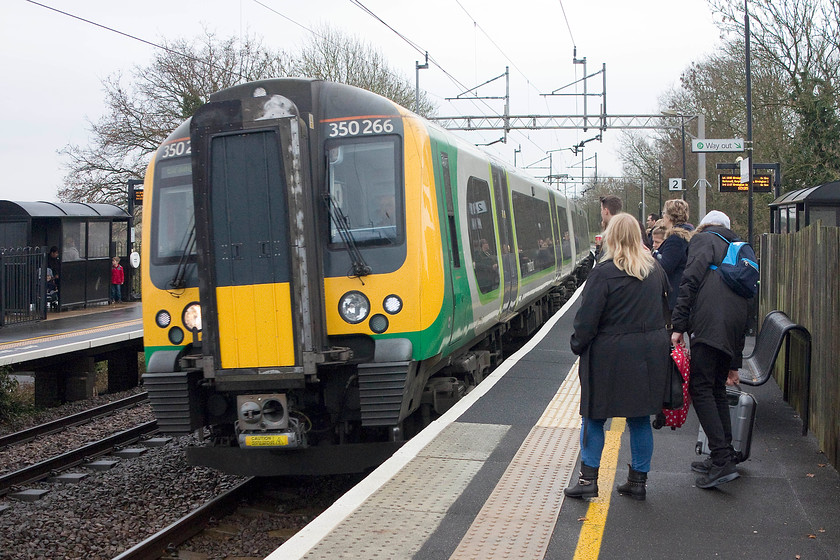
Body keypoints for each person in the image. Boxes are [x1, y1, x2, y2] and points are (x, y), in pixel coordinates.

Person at [564, 213, 671, 501]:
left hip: (608, 356)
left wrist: (578, 344)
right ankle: (637, 482)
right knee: (639, 419)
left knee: (594, 417)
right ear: (639, 237)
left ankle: (588, 480)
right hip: (649, 354)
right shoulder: (655, 270)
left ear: (611, 237)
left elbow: (587, 320)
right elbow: (666, 310)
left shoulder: (603, 273)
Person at [671, 210, 749, 489]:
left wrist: (678, 325)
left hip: (710, 322)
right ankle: (724, 454)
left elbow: (689, 281)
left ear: (705, 225)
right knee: (715, 388)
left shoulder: (704, 240)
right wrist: (735, 362)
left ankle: (720, 459)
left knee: (700, 388)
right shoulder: (738, 247)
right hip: (732, 325)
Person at [655, 199, 693, 310]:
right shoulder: (689, 234)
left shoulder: (676, 238)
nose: (663, 217)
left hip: (675, 294)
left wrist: (653, 256)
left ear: (670, 217)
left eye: (664, 214)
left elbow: (665, 267)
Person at [594, 195, 622, 260]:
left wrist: (598, 248)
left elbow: (602, 259)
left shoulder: (611, 233)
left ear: (606, 211)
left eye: (601, 210)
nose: (601, 213)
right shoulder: (628, 228)